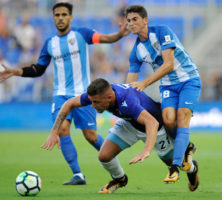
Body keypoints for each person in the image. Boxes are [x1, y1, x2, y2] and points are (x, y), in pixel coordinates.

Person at [0, 2, 129, 185]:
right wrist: (15, 71)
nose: (60, 18)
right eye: (57, 15)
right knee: (62, 129)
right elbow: (38, 69)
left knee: (90, 135)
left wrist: (119, 35)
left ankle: (117, 171)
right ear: (53, 18)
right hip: (60, 94)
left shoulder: (81, 34)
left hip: (84, 94)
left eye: (64, 15)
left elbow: (104, 38)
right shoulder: (50, 43)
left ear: (70, 17)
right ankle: (78, 174)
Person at [41, 78, 199, 193]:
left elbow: (152, 123)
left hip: (155, 128)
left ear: (109, 98)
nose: (93, 106)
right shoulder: (101, 95)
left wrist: (146, 151)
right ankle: (119, 179)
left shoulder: (126, 101)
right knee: (104, 156)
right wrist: (54, 132)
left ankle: (192, 168)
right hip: (129, 123)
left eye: (96, 102)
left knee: (171, 163)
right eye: (92, 102)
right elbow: (68, 103)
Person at [124, 5, 201, 183]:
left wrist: (144, 83)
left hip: (188, 80)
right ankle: (187, 147)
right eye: (128, 20)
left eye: (135, 19)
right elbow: (129, 84)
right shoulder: (136, 51)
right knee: (167, 120)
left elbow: (169, 65)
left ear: (145, 20)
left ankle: (175, 167)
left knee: (181, 119)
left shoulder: (162, 32)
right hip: (168, 86)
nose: (131, 23)